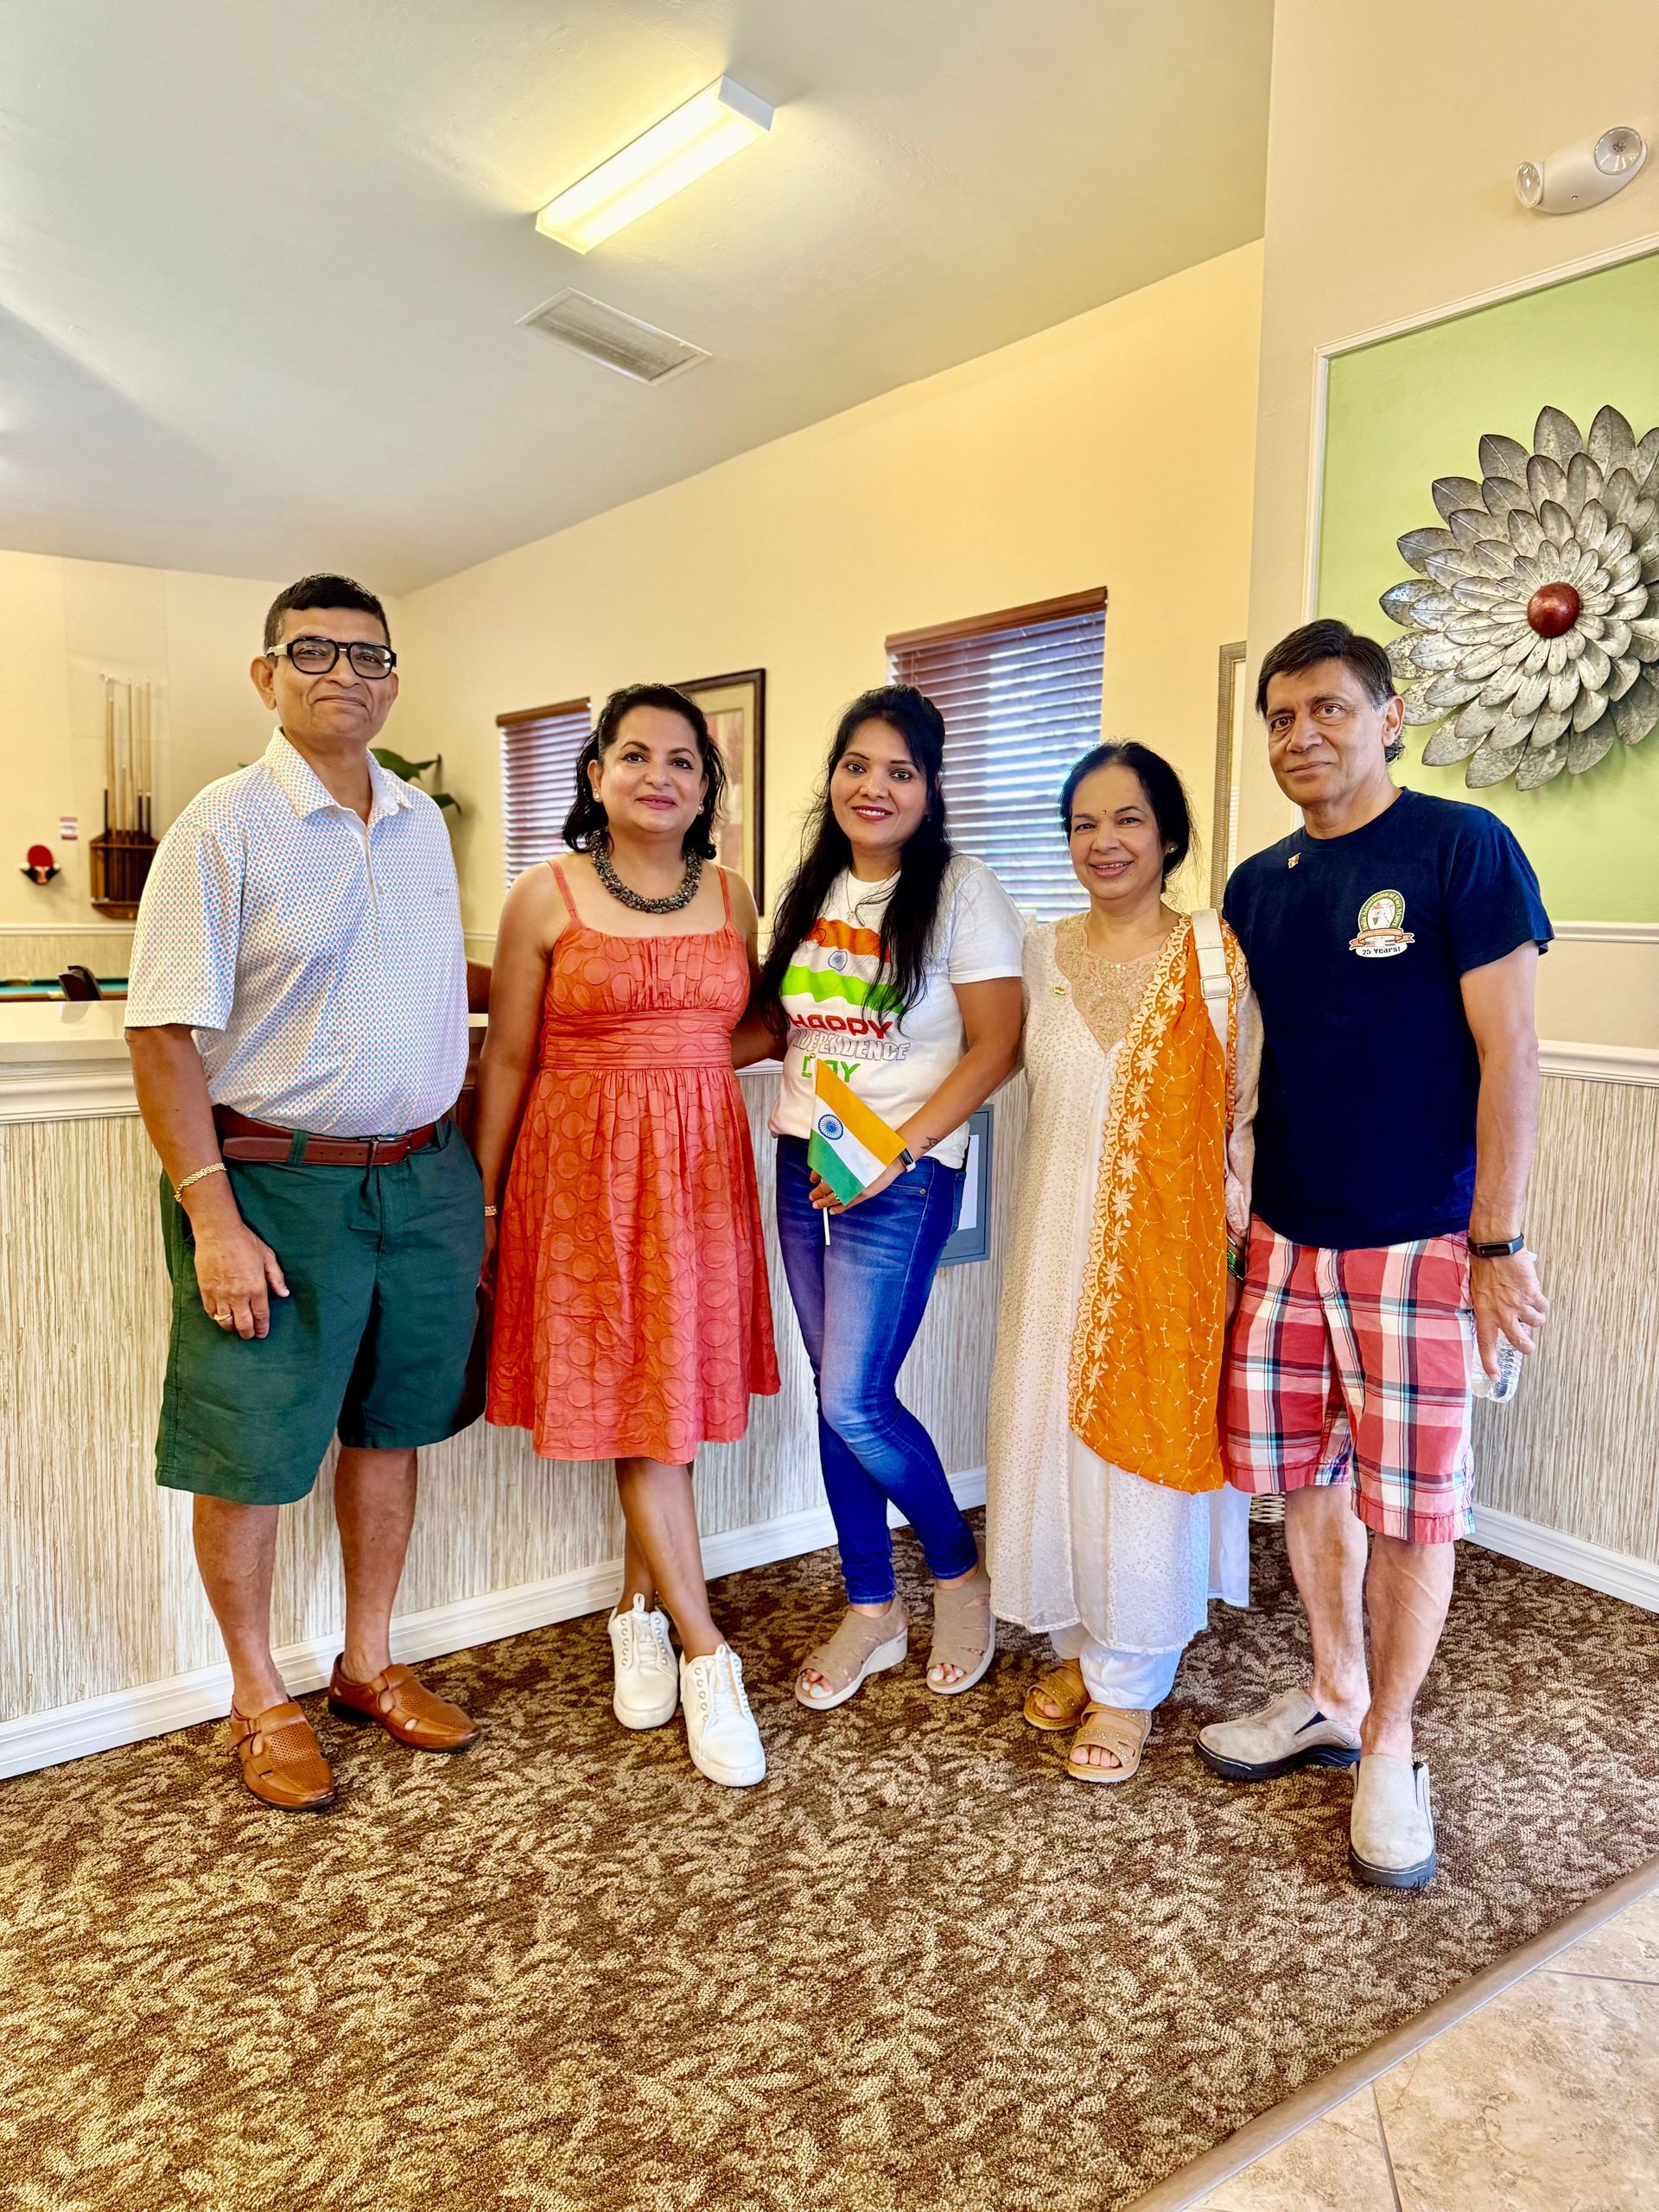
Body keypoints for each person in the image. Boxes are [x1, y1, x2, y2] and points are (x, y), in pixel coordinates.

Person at [1196, 618, 1552, 1891]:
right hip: (1288, 1239)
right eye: (1283, 717)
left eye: (1331, 711)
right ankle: (1335, 1694)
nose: (1304, 736)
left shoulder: (1463, 849)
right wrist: (1233, 1208)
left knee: (1415, 1509)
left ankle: (1394, 1746)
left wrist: (1497, 1241)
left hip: (1424, 1242)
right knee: (1310, 1482)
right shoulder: (1259, 883)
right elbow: (1248, 1065)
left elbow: (1512, 1054)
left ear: (1389, 716)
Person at [125, 574, 485, 1815]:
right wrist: (212, 1219)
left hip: (425, 1180)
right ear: (265, 675)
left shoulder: (421, 822)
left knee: (392, 1434)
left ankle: (368, 1664)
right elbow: (163, 1036)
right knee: (256, 1454)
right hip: (276, 1189)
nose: (347, 675)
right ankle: (257, 1694)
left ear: (394, 679)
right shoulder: (222, 828)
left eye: (370, 657)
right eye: (315, 652)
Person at [477, 684, 779, 1789]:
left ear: (709, 787)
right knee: (643, 1408)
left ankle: (636, 1611)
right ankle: (709, 1654)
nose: (661, 775)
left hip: (699, 1170)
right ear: (596, 773)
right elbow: (508, 1057)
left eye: (685, 761)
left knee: (666, 1397)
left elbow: (740, 1028)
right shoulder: (542, 897)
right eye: (636, 755)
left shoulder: (731, 893)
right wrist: (486, 1200)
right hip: (580, 1171)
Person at [986, 743, 1255, 1783]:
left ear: (1170, 835)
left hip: (1167, 1258)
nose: (1105, 842)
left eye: (1129, 820)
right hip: (1053, 1250)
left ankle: (1133, 1681)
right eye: (1085, 823)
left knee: (1138, 1462)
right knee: (1050, 1441)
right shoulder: (1035, 952)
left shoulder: (1213, 958)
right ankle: (1077, 1644)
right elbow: (970, 1055)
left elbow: (1249, 1119)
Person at [760, 685, 1025, 1711]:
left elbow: (997, 1045)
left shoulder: (962, 890)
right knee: (837, 1387)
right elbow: (781, 1027)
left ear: (930, 789)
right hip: (803, 1159)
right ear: (833, 777)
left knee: (851, 1399)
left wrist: (900, 1151)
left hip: (902, 1175)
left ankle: (959, 1577)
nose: (873, 787)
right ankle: (871, 1605)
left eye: (900, 771)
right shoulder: (815, 884)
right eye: (857, 765)